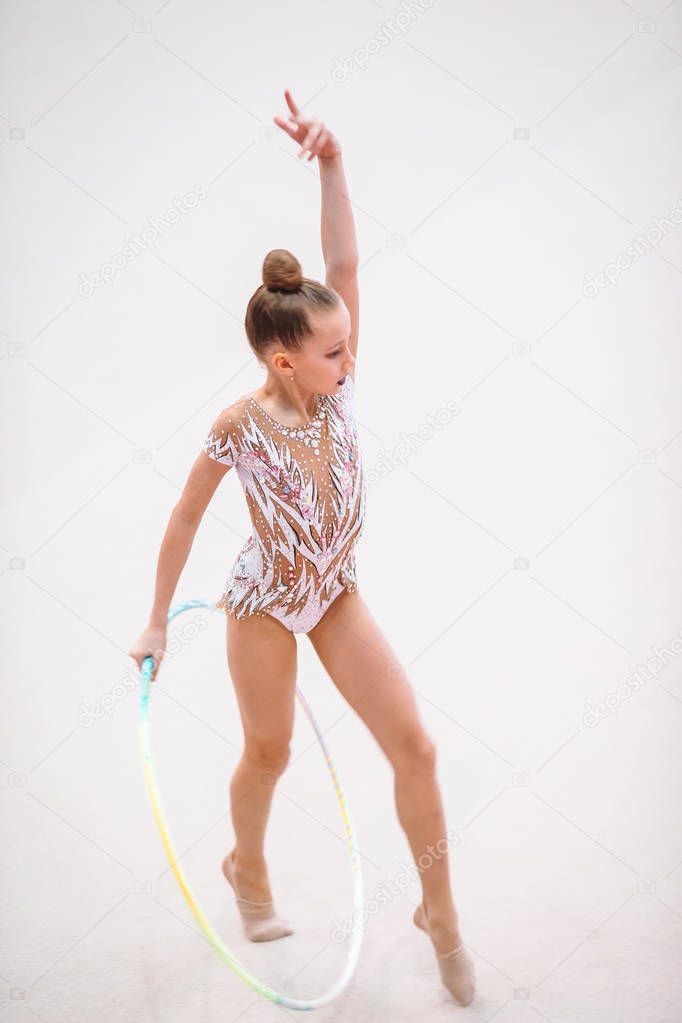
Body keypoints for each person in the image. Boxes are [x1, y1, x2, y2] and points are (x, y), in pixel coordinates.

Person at [129, 88, 475, 1006]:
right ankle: (244, 864)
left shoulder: (342, 394)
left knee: (418, 747)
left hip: (336, 589)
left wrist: (331, 158)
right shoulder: (239, 426)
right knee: (271, 751)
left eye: (349, 345)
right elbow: (183, 519)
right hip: (264, 604)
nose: (350, 361)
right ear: (285, 360)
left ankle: (438, 908)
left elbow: (347, 260)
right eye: (332, 352)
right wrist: (157, 622)